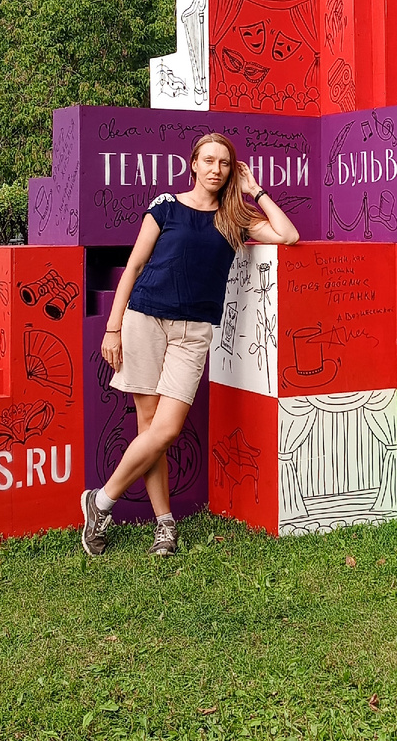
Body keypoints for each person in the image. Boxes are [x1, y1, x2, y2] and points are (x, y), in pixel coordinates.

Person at [80, 132, 299, 557]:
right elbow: (135, 266)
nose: (216, 169)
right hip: (145, 319)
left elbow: (287, 235)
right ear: (194, 164)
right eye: (209, 160)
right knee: (150, 429)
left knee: (166, 429)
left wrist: (255, 190)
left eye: (224, 163)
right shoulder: (166, 206)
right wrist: (112, 327)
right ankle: (165, 525)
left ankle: (100, 501)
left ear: (232, 170)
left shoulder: (235, 216)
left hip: (194, 331)